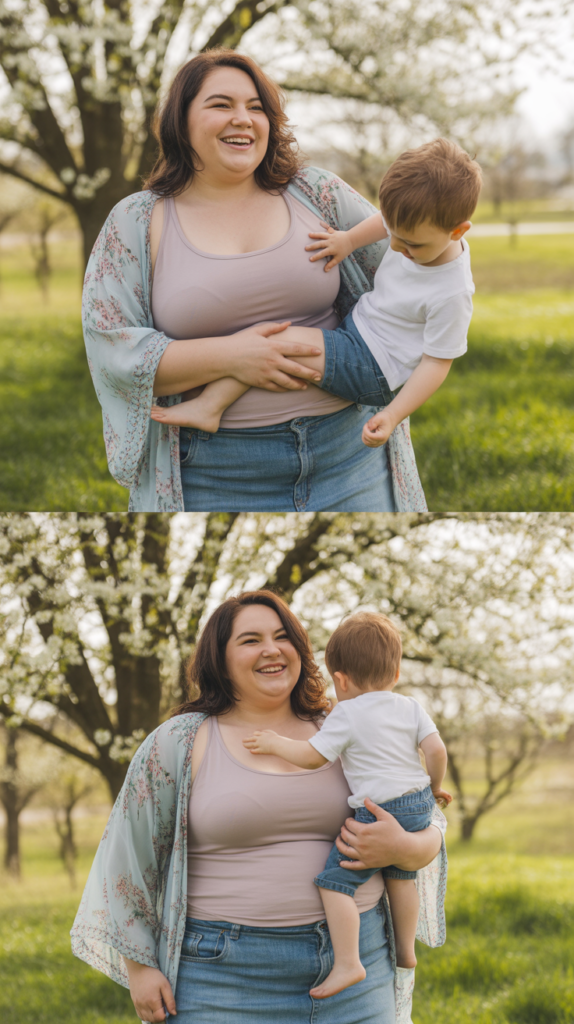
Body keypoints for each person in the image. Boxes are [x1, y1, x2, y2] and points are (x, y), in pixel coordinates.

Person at [71, 591, 447, 1024]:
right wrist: (140, 967)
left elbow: (426, 819)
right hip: (224, 978)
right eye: (251, 640)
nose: (271, 649)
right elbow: (126, 860)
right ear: (220, 659)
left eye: (282, 636)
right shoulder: (180, 742)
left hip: (359, 971)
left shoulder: (345, 724)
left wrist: (404, 848)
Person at [82, 49, 427, 512]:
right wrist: (235, 356)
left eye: (256, 107)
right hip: (214, 472)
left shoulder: (317, 193)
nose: (243, 118)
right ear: (181, 121)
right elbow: (112, 352)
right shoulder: (136, 222)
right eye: (221, 104)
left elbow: (411, 264)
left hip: (351, 456)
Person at [152, 139, 481, 450]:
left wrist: (393, 414)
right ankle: (212, 402)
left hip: (374, 366)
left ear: (458, 231)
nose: (394, 246)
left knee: (270, 342)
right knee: (268, 343)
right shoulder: (418, 225)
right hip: (361, 332)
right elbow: (384, 222)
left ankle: (209, 407)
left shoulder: (452, 292)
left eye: (410, 244)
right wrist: (348, 241)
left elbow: (436, 363)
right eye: (393, 232)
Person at [244, 611, 453, 1002]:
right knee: (401, 876)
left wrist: (274, 744)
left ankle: (348, 962)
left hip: (377, 809)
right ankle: (406, 950)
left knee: (334, 884)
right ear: (395, 674)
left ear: (340, 680)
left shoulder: (347, 712)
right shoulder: (410, 706)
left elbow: (313, 756)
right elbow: (436, 750)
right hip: (418, 801)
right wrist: (436, 785)